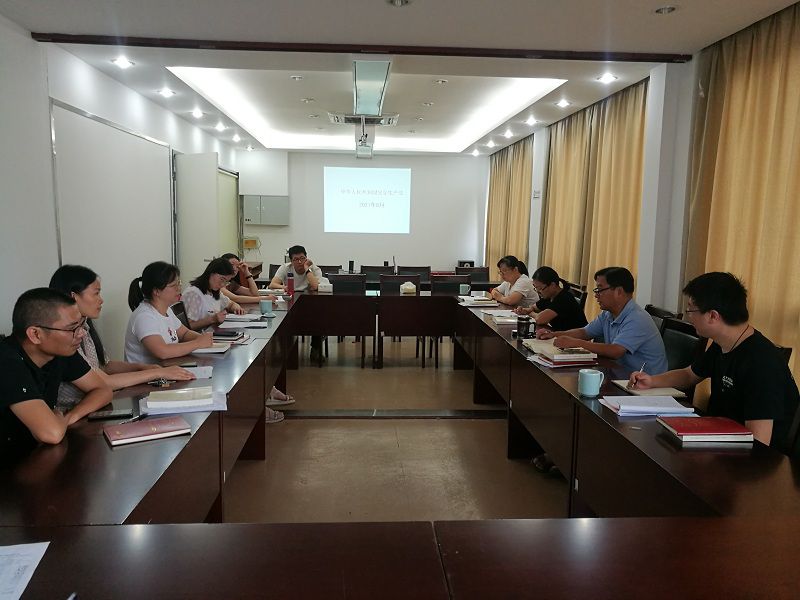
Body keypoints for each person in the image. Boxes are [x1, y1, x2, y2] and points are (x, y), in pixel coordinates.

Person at [629, 272, 799, 453]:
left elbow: (759, 441)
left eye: (691, 310)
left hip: (755, 458)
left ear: (713, 316)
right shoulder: (723, 343)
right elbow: (689, 375)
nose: (688, 317)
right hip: (720, 437)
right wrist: (652, 381)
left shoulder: (761, 362)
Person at [49, 265, 195, 411]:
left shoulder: (84, 328)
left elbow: (104, 365)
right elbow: (104, 382)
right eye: (96, 293)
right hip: (73, 410)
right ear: (74, 296)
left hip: (95, 405)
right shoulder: (65, 338)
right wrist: (156, 373)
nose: (101, 300)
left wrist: (141, 367)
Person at [0, 288, 112, 450]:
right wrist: (57, 420)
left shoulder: (60, 351)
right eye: (72, 328)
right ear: (35, 334)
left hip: (36, 451)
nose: (81, 333)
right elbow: (51, 434)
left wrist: (69, 417)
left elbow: (103, 390)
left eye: (81, 325)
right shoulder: (7, 362)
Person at [537, 267, 668, 375]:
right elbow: (585, 332)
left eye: (600, 289)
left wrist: (576, 343)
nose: (596, 295)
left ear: (619, 291)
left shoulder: (637, 318)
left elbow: (615, 351)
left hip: (645, 385)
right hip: (620, 375)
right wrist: (554, 334)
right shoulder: (607, 314)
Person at [218, 254, 294, 408]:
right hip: (220, 332)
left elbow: (254, 293)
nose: (235, 268)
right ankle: (258, 398)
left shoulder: (231, 283)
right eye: (231, 265)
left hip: (231, 326)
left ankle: (267, 390)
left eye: (237, 265)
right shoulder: (219, 284)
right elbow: (235, 299)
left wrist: (247, 273)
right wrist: (263, 299)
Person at [124, 261, 213, 363]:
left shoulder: (167, 310)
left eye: (179, 283)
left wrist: (204, 339)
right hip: (148, 372)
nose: (179, 288)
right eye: (173, 285)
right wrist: (198, 343)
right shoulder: (144, 316)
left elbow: (184, 333)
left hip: (168, 368)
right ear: (156, 291)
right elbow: (163, 352)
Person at [270, 245, 325, 362]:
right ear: (291, 261)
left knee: (320, 317)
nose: (300, 262)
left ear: (306, 258)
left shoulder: (314, 269)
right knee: (281, 318)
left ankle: (315, 349)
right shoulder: (285, 268)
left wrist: (307, 269)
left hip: (309, 303)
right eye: (296, 259)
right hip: (289, 302)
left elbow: (315, 286)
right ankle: (285, 352)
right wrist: (284, 287)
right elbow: (273, 284)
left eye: (302, 258)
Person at [513, 266, 588, 331]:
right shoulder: (549, 296)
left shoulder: (564, 298)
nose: (538, 292)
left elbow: (540, 319)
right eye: (536, 288)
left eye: (541, 289)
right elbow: (533, 307)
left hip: (574, 339)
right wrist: (525, 310)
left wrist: (529, 313)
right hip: (559, 334)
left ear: (552, 285)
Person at [182, 258, 246, 332]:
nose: (223, 284)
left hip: (211, 334)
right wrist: (212, 319)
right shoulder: (193, 293)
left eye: (226, 281)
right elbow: (187, 326)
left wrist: (237, 308)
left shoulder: (213, 292)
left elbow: (231, 304)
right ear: (211, 272)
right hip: (197, 336)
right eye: (222, 279)